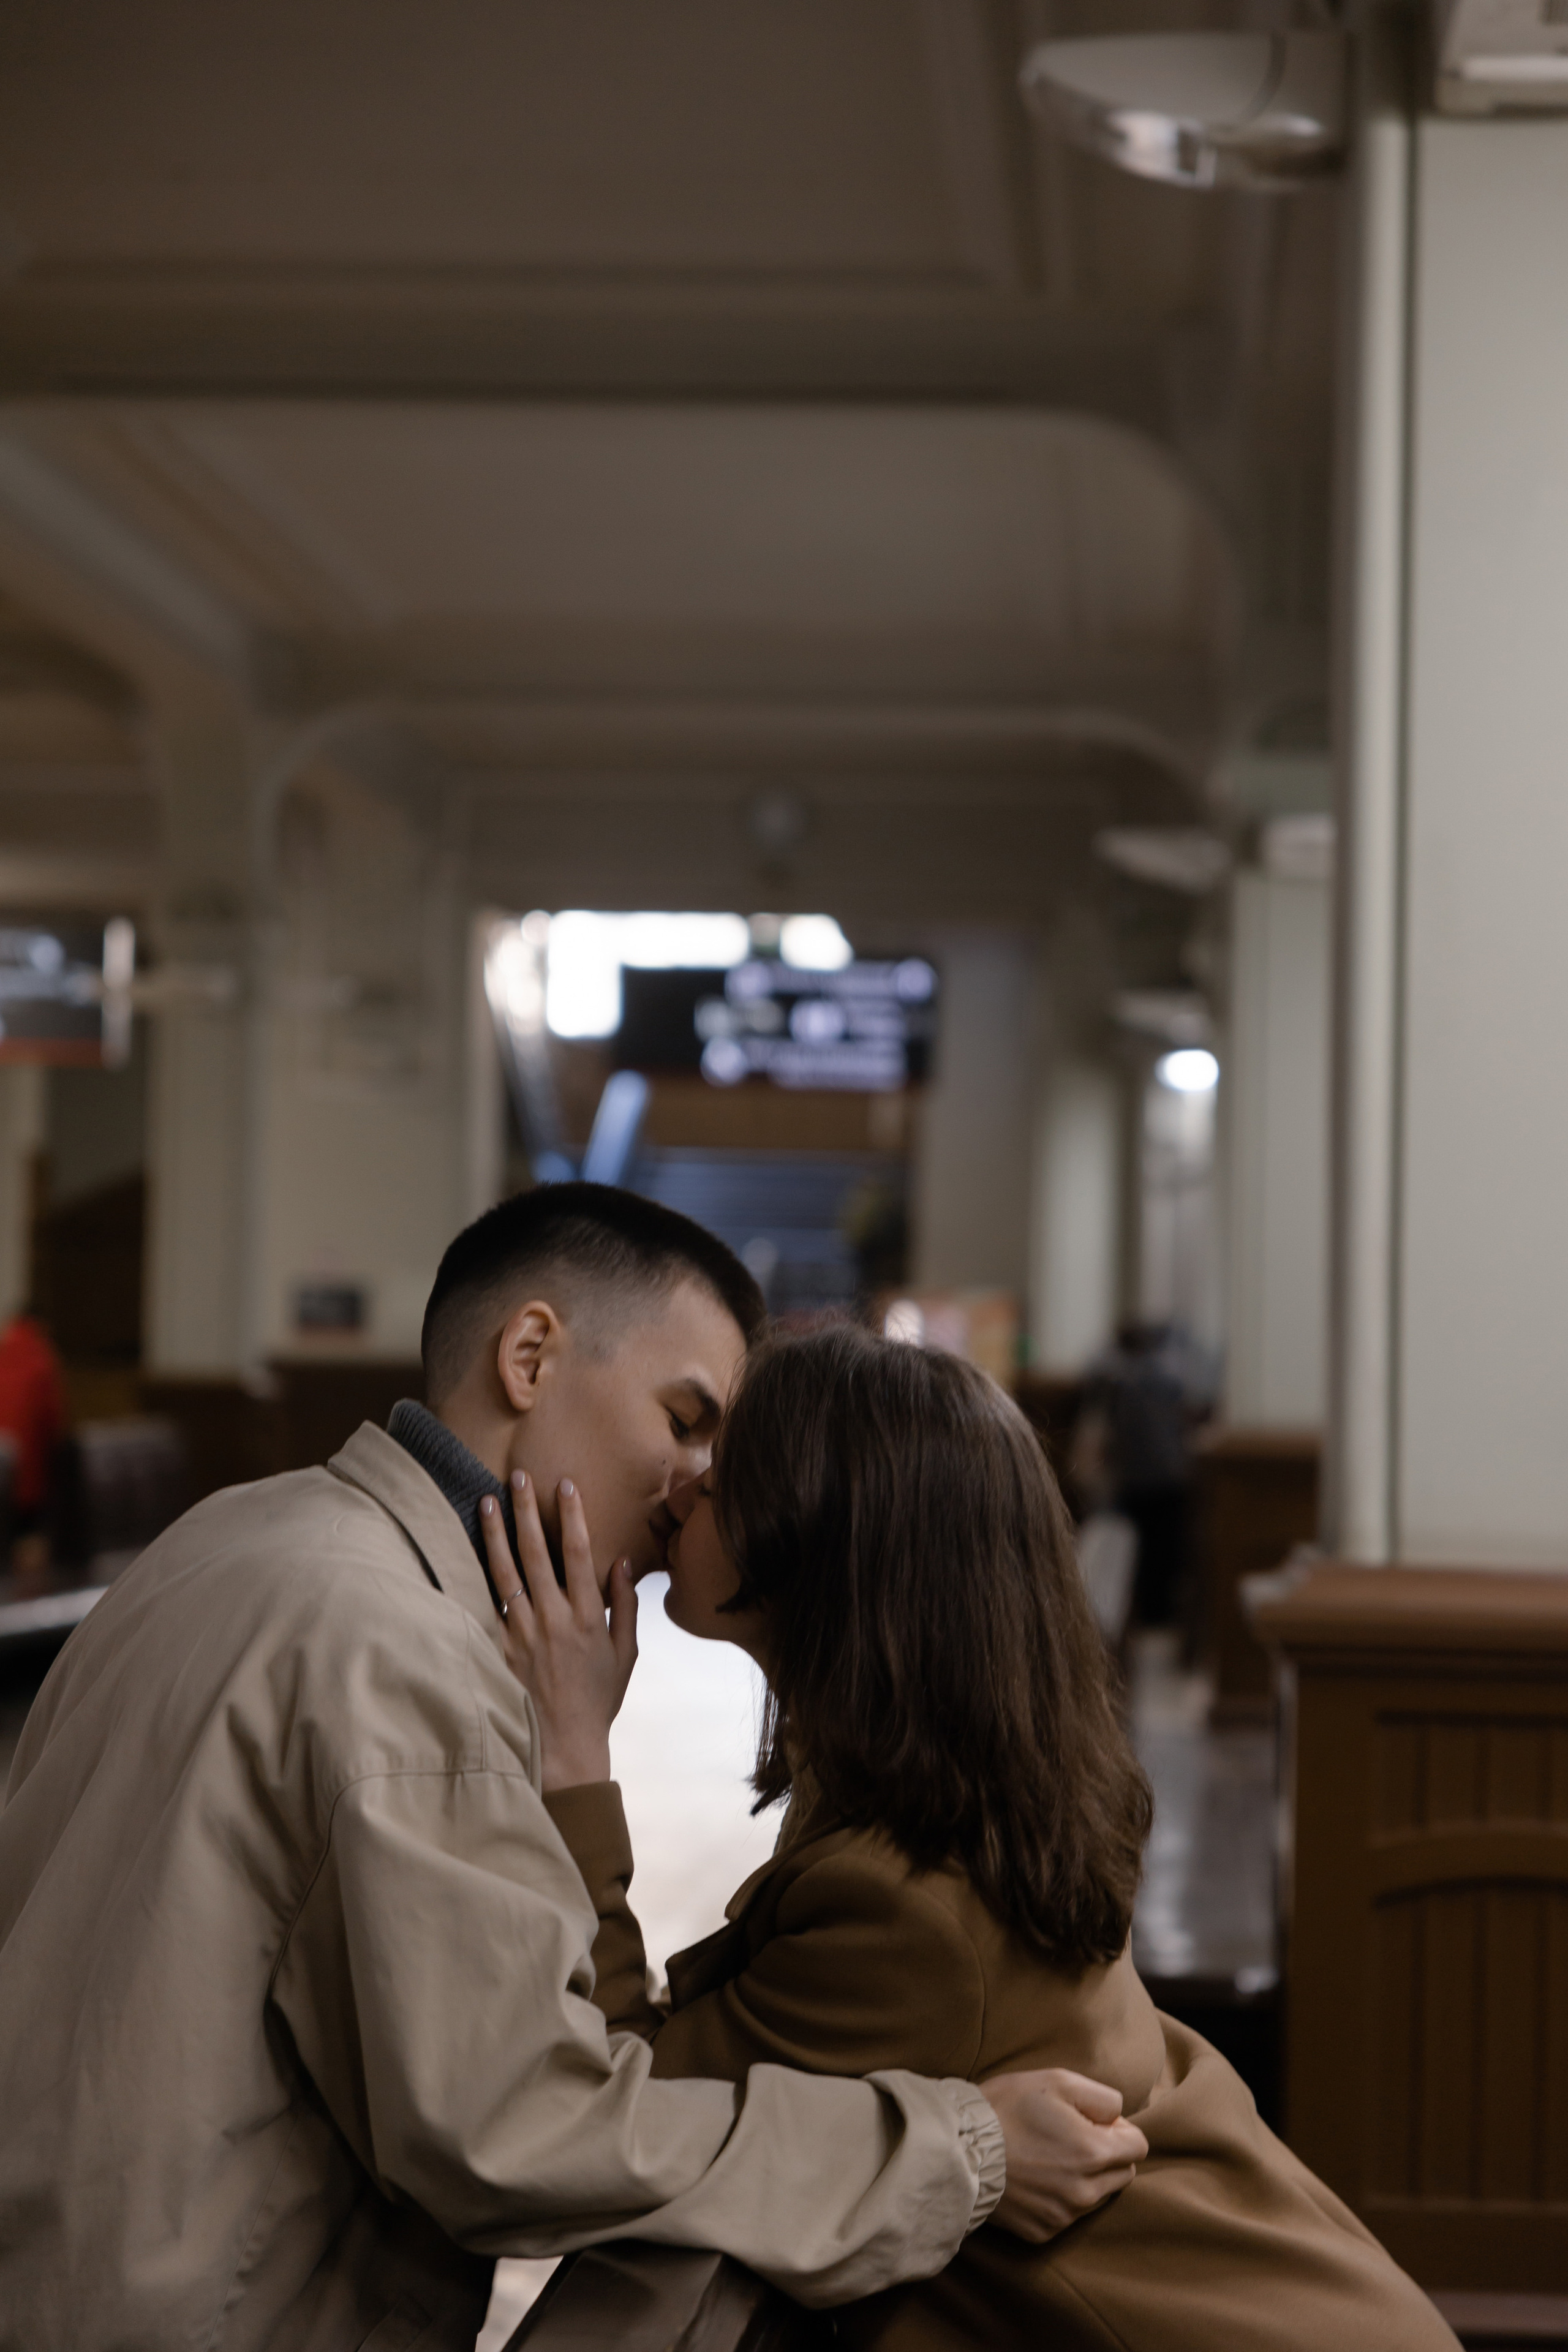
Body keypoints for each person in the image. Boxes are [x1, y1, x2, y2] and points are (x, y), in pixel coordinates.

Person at [0, 1184, 1146, 2352]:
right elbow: (512, 2134)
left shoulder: (228, 1532)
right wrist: (961, 2152)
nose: (696, 1480)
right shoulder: (398, 1646)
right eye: (683, 1416)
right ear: (532, 1355)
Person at [490, 1320, 1459, 2352]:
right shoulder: (952, 1784)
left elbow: (622, 2114)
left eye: (728, 1477)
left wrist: (573, 1761)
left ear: (833, 1548)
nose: (683, 1489)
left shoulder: (902, 1906)